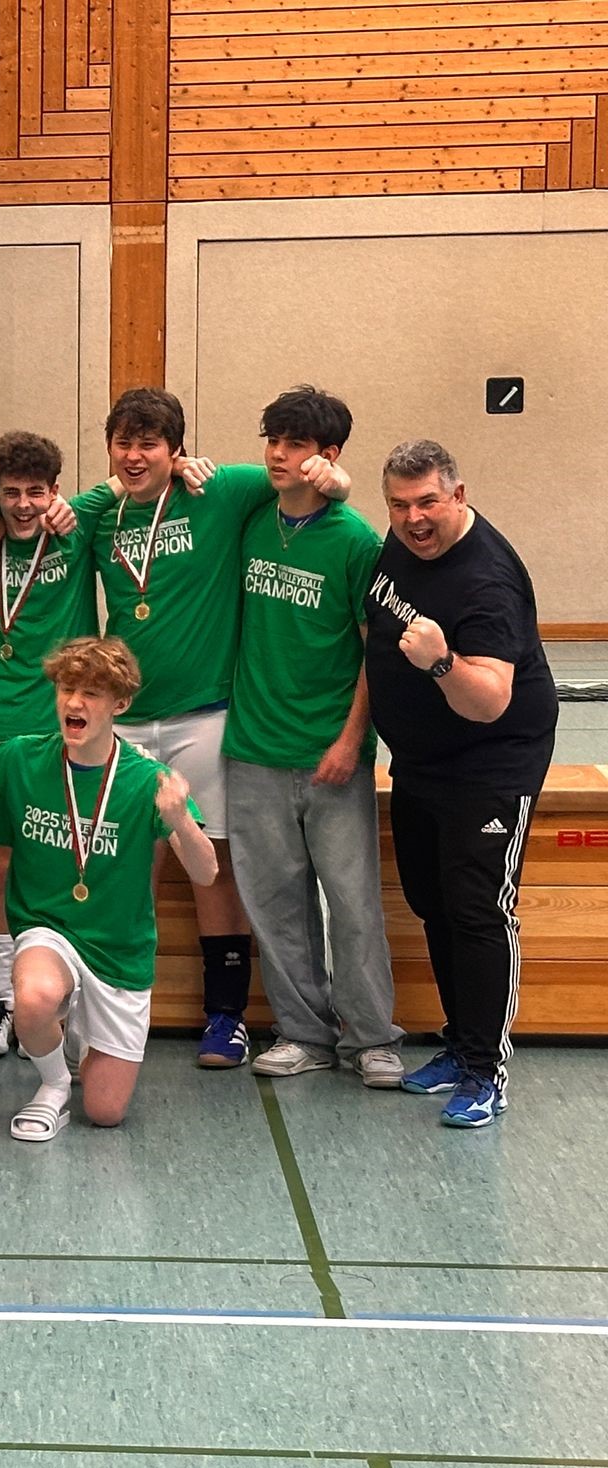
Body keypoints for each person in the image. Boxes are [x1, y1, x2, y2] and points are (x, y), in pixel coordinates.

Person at [90, 389, 347, 1070]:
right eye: (123, 443)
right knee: (123, 867)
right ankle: (114, 1009)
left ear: (177, 449)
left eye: (150, 444)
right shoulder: (99, 512)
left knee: (215, 867)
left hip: (204, 716)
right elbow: (24, 514)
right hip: (123, 724)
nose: (134, 456)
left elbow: (305, 481)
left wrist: (340, 478)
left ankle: (226, 1016)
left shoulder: (222, 490)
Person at [365, 440, 558, 1128]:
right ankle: (459, 1044)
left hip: (490, 763)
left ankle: (486, 1069)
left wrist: (441, 661)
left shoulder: (487, 580)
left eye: (428, 503)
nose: (414, 519)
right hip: (422, 760)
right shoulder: (399, 547)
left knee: (479, 910)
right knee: (434, 901)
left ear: (459, 495)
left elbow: (490, 701)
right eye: (399, 505)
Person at [221, 387, 401, 1089]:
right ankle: (303, 1034)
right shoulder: (251, 521)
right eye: (273, 440)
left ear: (327, 455)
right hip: (254, 749)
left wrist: (351, 741)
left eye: (294, 444)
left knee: (352, 903)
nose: (277, 454)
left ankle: (372, 1039)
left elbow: (373, 652)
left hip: (332, 755)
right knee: (275, 905)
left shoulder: (357, 542)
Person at [0, 638, 218, 1140]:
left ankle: (80, 1038)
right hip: (49, 931)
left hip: (118, 950)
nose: (74, 702)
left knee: (107, 1112)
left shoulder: (147, 779)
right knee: (34, 996)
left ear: (120, 704)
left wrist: (180, 819)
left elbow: (206, 872)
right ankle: (52, 1085)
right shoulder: (20, 759)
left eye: (90, 693)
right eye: (67, 689)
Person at [0, 432, 105, 1059]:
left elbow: (134, 484)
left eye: (37, 492)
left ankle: (60, 999)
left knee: (63, 859)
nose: (23, 505)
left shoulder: (79, 525)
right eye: (10, 493)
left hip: (65, 721)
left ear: (57, 491)